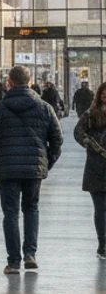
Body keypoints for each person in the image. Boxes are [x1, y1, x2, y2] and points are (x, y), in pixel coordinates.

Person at [0, 65, 63, 275]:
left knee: (10, 213)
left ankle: (14, 262)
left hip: (7, 169)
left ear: (9, 82)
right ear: (30, 81)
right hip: (33, 168)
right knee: (31, 209)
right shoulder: (44, 108)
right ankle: (30, 254)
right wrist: (45, 163)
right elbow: (57, 140)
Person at [74, 82, 106, 259]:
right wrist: (93, 145)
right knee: (100, 208)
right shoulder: (91, 114)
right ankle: (103, 243)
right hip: (96, 166)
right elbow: (78, 132)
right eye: (104, 96)